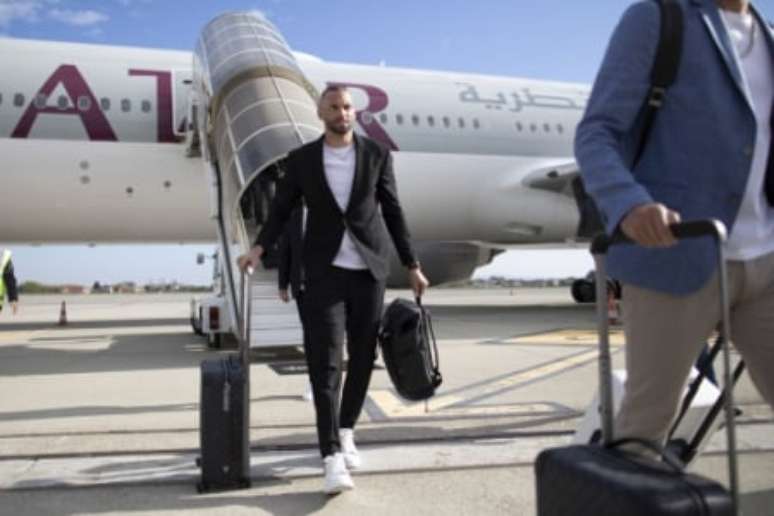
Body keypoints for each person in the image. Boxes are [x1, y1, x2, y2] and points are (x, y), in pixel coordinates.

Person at [575, 0, 774, 448]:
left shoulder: (768, 37)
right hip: (675, 254)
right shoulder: (658, 18)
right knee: (645, 426)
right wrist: (629, 205)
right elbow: (596, 132)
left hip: (765, 262)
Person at [239, 85, 429, 494]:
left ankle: (346, 430)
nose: (342, 113)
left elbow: (393, 211)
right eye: (334, 107)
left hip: (368, 271)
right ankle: (330, 457)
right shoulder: (302, 160)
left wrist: (412, 265)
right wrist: (257, 249)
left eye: (347, 107)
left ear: (354, 112)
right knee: (324, 365)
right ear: (320, 112)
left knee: (361, 357)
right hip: (321, 274)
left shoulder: (377, 155)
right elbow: (280, 210)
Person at [276, 205, 314, 402]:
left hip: (327, 286)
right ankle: (313, 382)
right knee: (310, 337)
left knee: (327, 336)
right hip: (302, 288)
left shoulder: (329, 210)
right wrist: (283, 285)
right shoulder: (293, 217)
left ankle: (328, 381)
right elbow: (285, 253)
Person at [0, 249, 19, 315]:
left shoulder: (6, 260)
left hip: (8, 277)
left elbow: (7, 252)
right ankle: (14, 307)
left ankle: (14, 307)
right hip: (6, 277)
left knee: (12, 294)